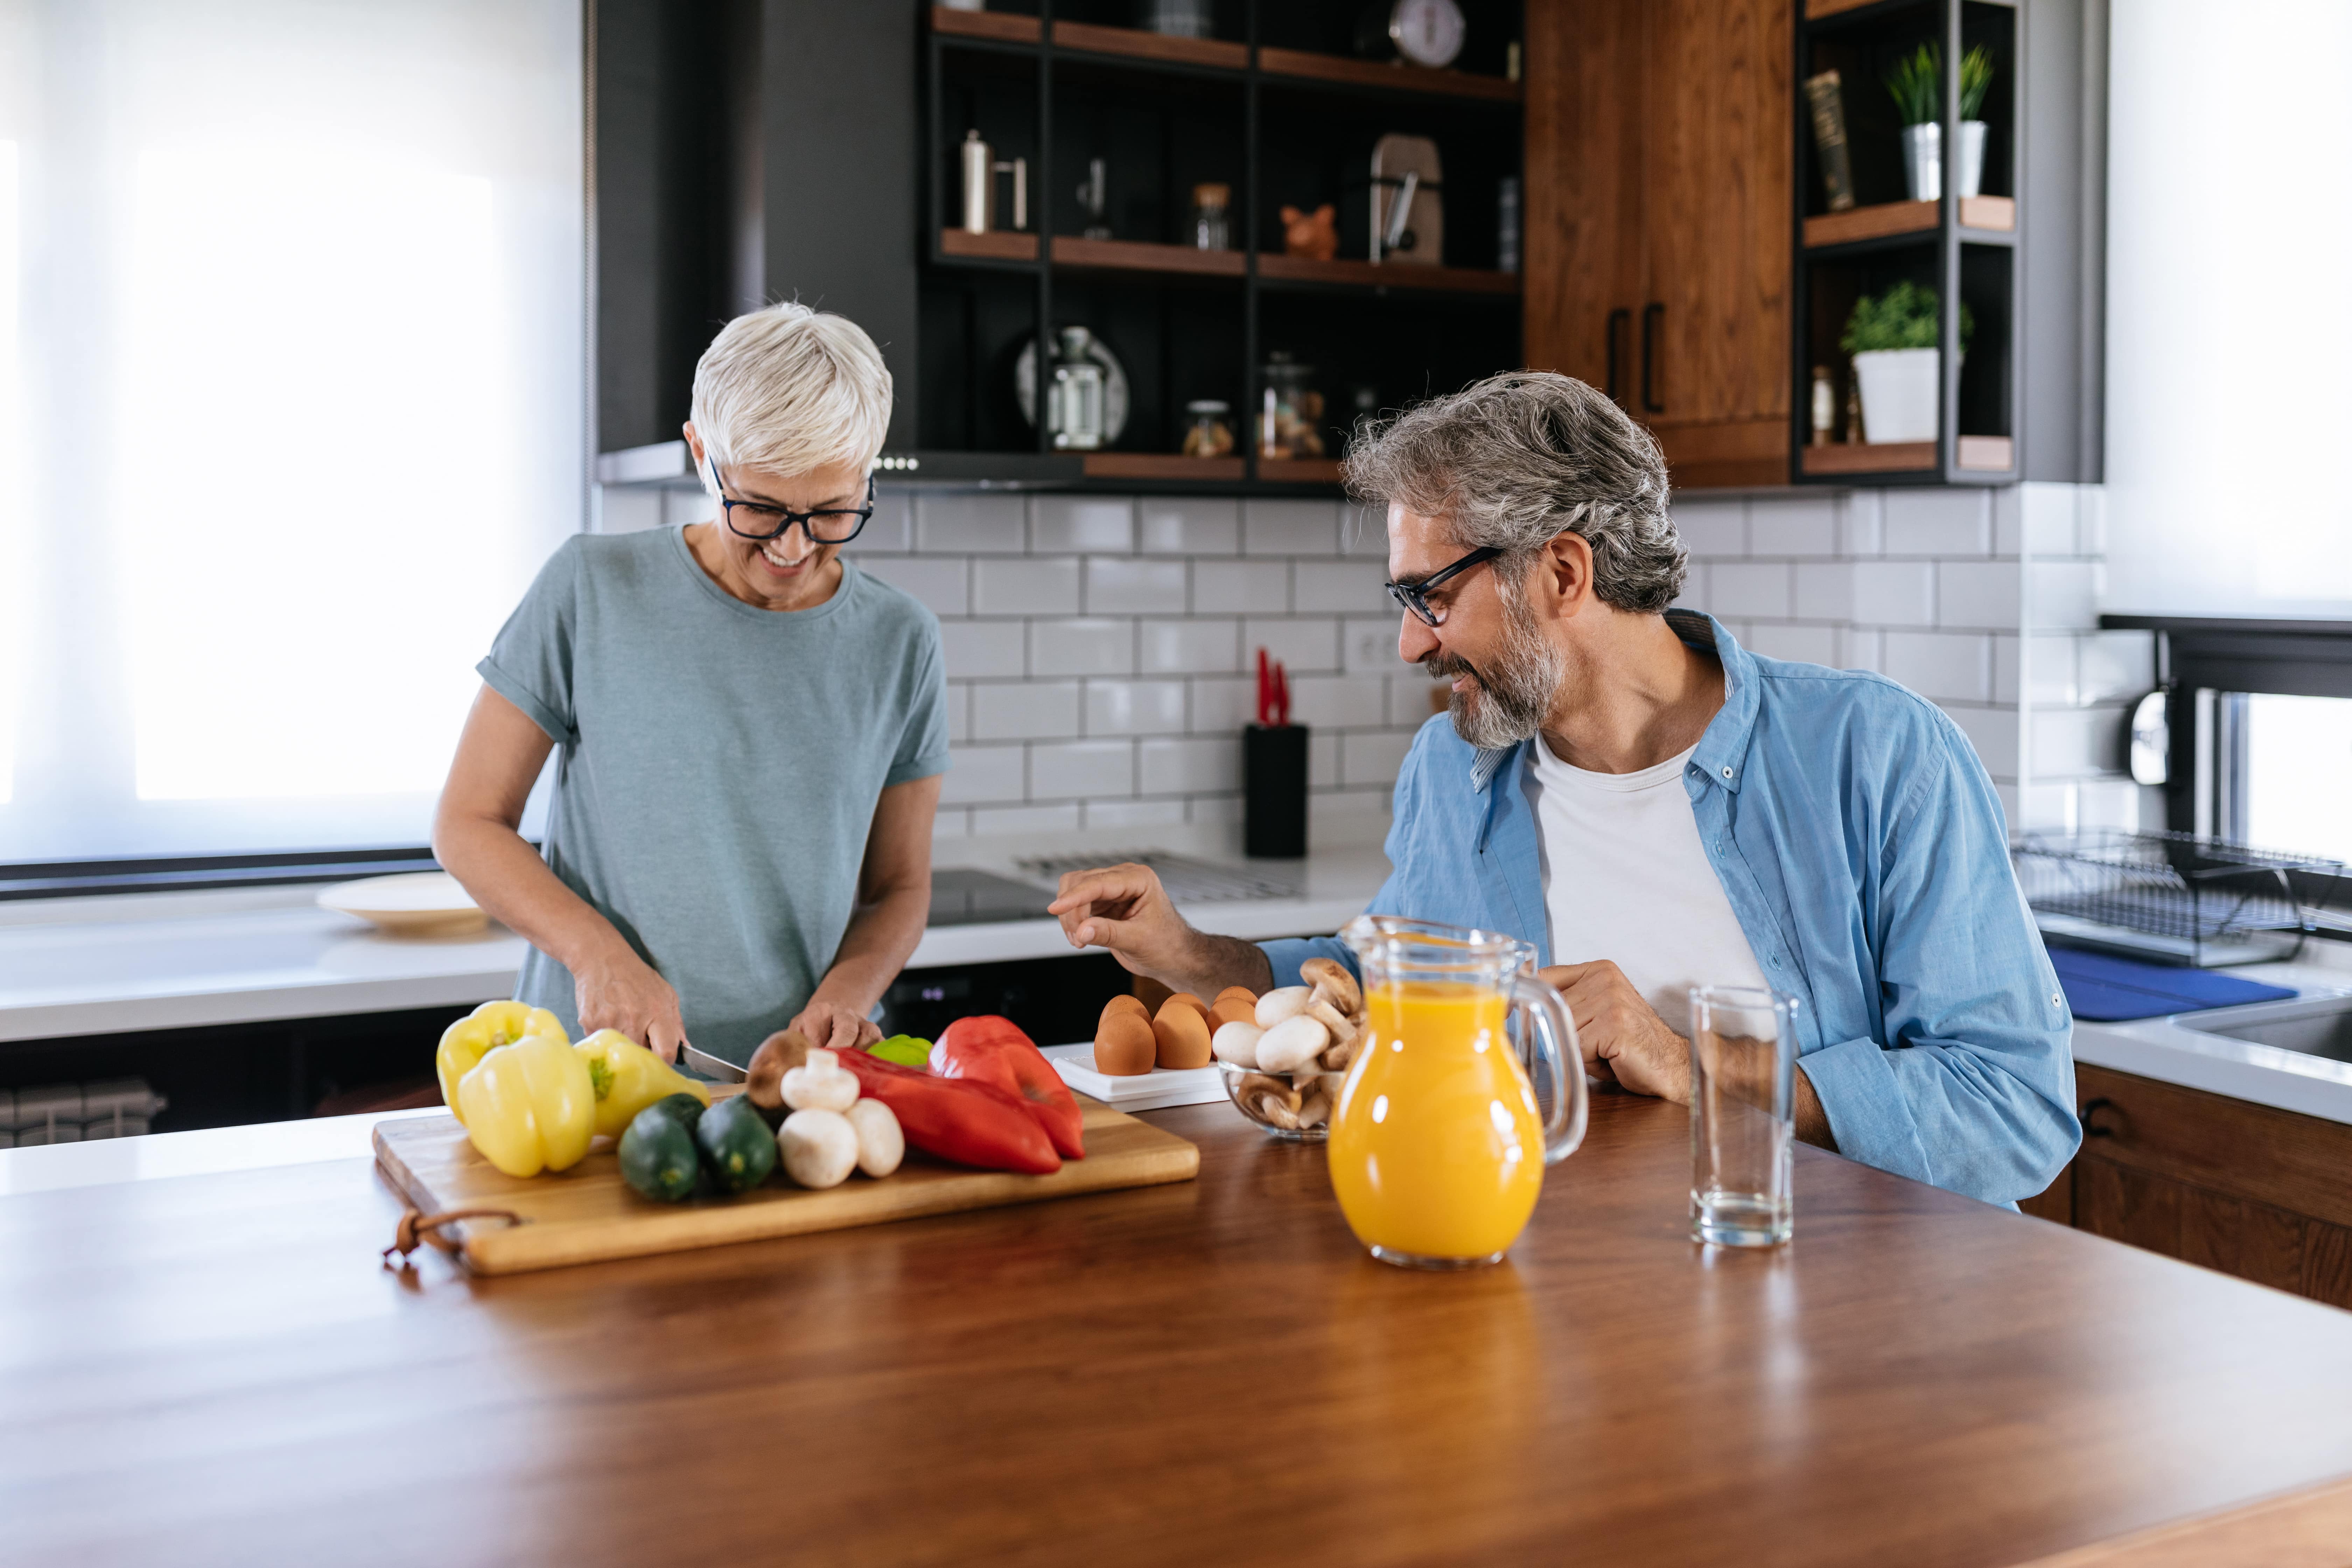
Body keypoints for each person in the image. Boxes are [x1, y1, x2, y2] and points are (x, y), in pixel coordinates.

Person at [1046, 371, 2078, 1205]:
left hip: (1859, 1323)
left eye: (1431, 597)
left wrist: (1698, 1065)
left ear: (1565, 575)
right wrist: (1191, 955)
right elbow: (1387, 991)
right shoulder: (1454, 770)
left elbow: (2016, 1111)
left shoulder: (1878, 754)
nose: (1410, 642)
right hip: (1572, 1294)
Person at [435, 303, 946, 1067]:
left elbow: (898, 886)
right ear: (701, 453)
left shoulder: (900, 640)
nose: (793, 546)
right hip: (592, 1068)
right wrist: (595, 955)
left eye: (833, 511)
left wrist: (849, 989)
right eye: (761, 508)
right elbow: (469, 822)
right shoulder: (592, 586)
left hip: (799, 1084)